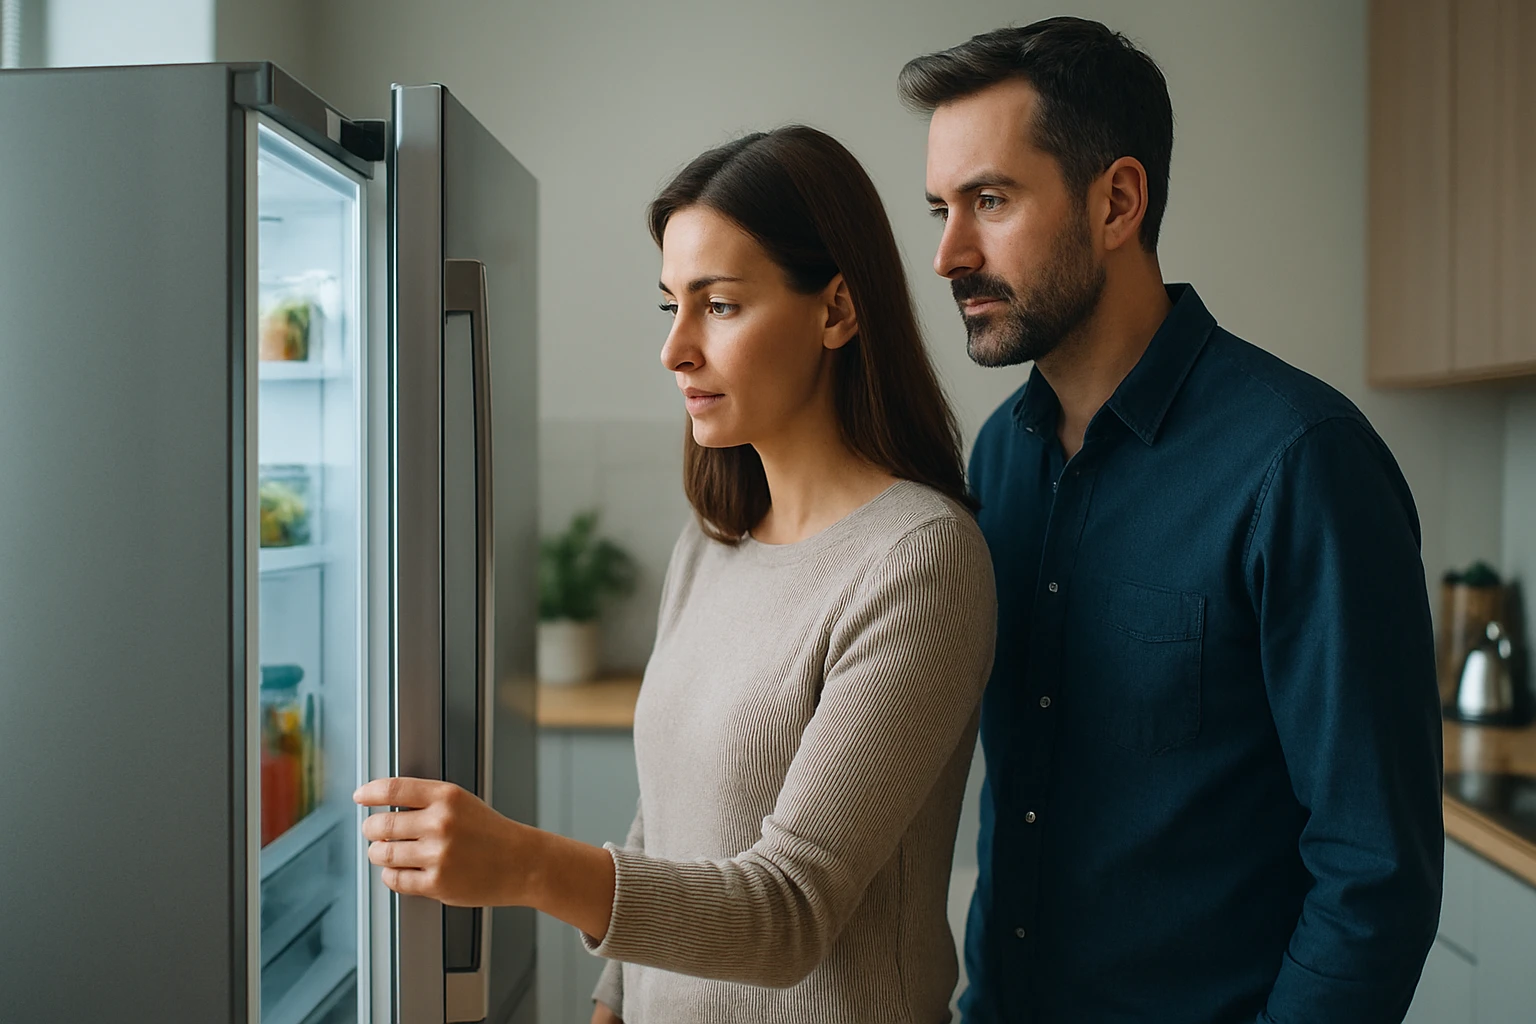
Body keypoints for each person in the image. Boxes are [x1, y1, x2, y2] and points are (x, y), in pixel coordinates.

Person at [355, 125, 997, 1024]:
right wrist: (613, 1001)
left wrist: (528, 864)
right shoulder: (712, 543)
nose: (676, 349)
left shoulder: (920, 561)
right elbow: (663, 821)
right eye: (671, 306)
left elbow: (789, 912)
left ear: (838, 309)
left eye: (720, 305)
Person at [900, 17, 1444, 1024]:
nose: (948, 254)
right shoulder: (1000, 461)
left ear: (1117, 201)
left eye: (990, 199)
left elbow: (1374, 873)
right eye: (941, 207)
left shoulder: (1302, 463)